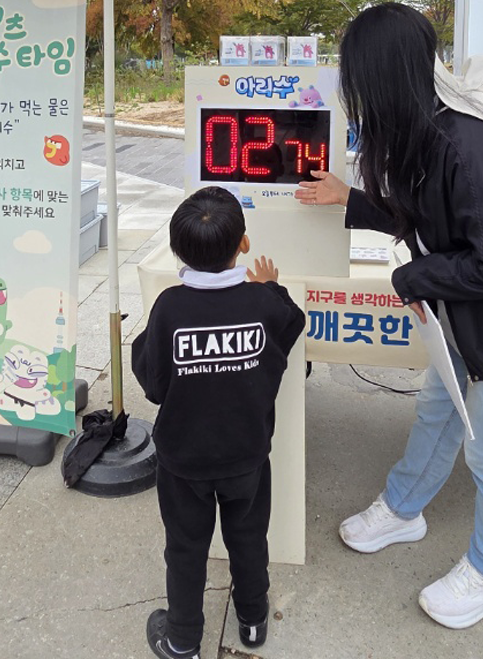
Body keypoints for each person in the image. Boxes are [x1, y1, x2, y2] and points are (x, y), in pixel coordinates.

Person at [295, 2, 483, 629]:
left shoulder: (473, 148)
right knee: (439, 410)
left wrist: (413, 277)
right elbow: (430, 221)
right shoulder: (429, 134)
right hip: (473, 318)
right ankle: (404, 509)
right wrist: (353, 200)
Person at [131, 186, 306, 659]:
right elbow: (293, 323)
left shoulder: (169, 307)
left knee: (186, 548)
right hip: (246, 456)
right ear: (243, 245)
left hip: (183, 460)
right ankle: (252, 621)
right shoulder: (264, 305)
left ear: (176, 251)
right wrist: (271, 287)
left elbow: (153, 382)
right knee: (248, 538)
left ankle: (183, 638)